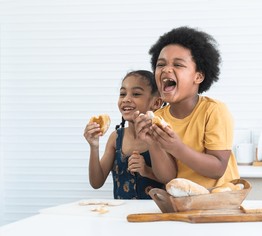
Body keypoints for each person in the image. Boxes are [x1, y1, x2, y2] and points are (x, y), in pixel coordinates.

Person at [134, 26, 240, 189]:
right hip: (183, 203)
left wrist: (177, 148)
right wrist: (152, 143)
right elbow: (167, 177)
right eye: (160, 64)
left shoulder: (214, 111)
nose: (166, 69)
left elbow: (217, 168)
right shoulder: (158, 117)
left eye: (178, 64)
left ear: (198, 76)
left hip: (219, 202)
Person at [84, 70, 164, 199]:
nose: (126, 99)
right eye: (122, 94)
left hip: (154, 214)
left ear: (156, 103)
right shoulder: (115, 138)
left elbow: (173, 181)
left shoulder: (161, 136)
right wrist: (94, 147)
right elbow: (96, 182)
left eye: (136, 94)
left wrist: (147, 171)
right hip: (121, 215)